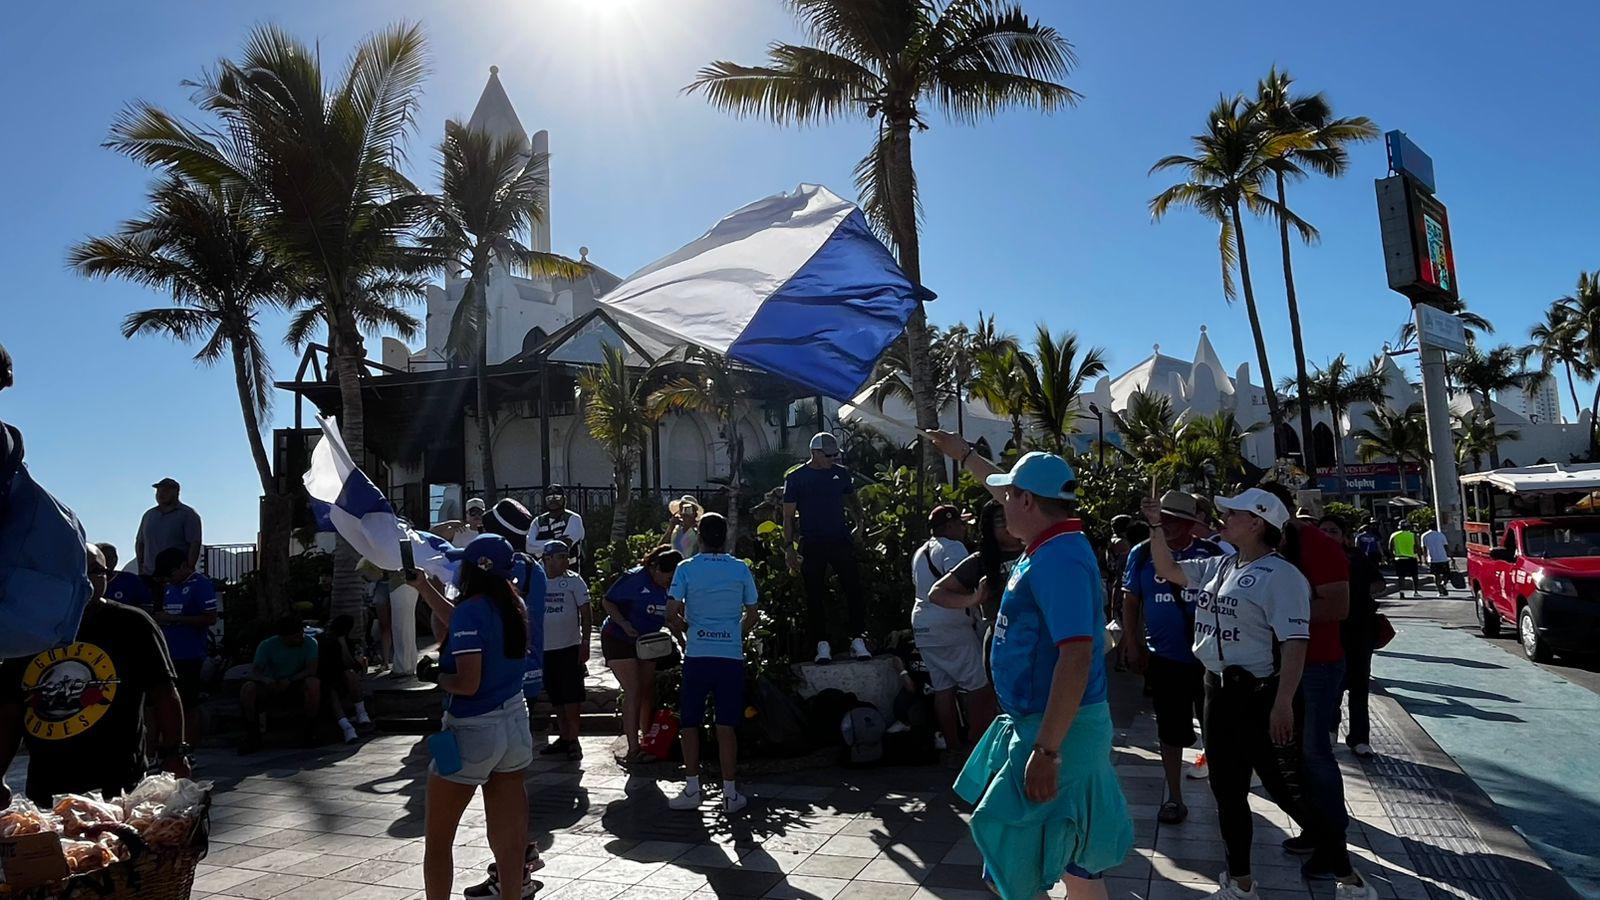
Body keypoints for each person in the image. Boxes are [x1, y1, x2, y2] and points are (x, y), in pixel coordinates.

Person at [1139, 489, 1376, 900]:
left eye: (1233, 513)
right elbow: (1171, 569)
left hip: (1256, 694)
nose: (1222, 518)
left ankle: (1347, 876)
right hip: (1216, 690)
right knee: (1227, 791)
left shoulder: (1282, 576)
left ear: (1257, 523)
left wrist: (1283, 703)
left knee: (1288, 791)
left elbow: (1295, 643)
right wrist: (1156, 525)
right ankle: (1242, 881)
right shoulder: (1222, 564)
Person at [929, 431, 1133, 900]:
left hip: (1058, 731)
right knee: (1069, 864)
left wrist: (1047, 752)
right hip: (1045, 724)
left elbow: (1077, 656)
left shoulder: (1058, 558)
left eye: (1010, 497)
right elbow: (1005, 489)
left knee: (1022, 861)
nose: (1001, 506)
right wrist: (963, 455)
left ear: (1026, 501)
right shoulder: (1050, 539)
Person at [0, 543, 188, 807]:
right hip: (48, 789)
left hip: (119, 787)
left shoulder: (133, 625)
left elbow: (164, 694)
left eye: (95, 571)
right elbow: (10, 713)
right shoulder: (30, 634)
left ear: (109, 576)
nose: (84, 580)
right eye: (73, 570)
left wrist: (175, 754)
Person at [410, 535, 534, 900]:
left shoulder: (472, 610)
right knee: (509, 843)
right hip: (514, 724)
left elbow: (467, 683)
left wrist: (433, 675)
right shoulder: (513, 605)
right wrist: (425, 588)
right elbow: (465, 621)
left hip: (473, 729)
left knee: (438, 840)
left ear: (472, 569)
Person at [1257, 481, 1354, 882]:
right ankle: (1317, 830)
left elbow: (1338, 605)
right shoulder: (1268, 546)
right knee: (1292, 757)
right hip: (1279, 667)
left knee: (1315, 755)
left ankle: (1334, 845)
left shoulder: (1317, 545)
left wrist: (1275, 612)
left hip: (1316, 666)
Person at [1121, 491, 1221, 824]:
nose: (1170, 526)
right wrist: (1132, 642)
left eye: (1179, 521)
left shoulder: (1212, 554)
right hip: (1165, 658)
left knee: (1216, 730)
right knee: (1169, 730)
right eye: (1165, 519)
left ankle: (1225, 794)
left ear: (1192, 524)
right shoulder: (1141, 554)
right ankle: (1174, 797)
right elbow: (1131, 600)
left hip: (1209, 659)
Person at [665, 513, 759, 813]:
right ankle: (730, 794)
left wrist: (688, 629)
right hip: (729, 655)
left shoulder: (686, 568)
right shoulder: (740, 568)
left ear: (700, 537)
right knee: (726, 724)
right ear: (725, 535)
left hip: (697, 655)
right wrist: (734, 634)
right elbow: (753, 613)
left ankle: (693, 789)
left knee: (689, 722)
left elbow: (671, 613)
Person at [912, 505, 996, 752]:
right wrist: (974, 599)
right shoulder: (953, 548)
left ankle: (953, 748)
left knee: (943, 688)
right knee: (979, 686)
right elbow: (956, 582)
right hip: (950, 623)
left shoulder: (920, 551)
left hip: (923, 625)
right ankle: (977, 745)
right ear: (949, 526)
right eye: (961, 524)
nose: (964, 528)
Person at [782, 432, 869, 663]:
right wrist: (788, 547)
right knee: (814, 594)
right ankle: (821, 644)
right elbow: (788, 516)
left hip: (840, 539)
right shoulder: (797, 478)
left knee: (853, 589)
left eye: (836, 454)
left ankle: (858, 639)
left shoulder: (840, 474)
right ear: (815, 453)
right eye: (829, 455)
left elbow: (853, 501)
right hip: (812, 542)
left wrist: (860, 524)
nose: (833, 458)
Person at [601, 545, 682, 764]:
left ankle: (648, 740)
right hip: (619, 638)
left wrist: (685, 640)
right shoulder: (635, 578)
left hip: (648, 642)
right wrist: (624, 623)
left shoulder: (673, 587)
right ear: (655, 569)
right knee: (634, 689)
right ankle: (632, 747)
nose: (669, 581)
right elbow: (607, 601)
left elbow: (675, 618)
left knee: (647, 690)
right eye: (667, 576)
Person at [1319, 514, 1384, 758]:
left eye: (1333, 531)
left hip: (1360, 631)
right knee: (1331, 686)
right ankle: (1329, 731)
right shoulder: (1311, 558)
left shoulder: (1357, 558)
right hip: (1330, 631)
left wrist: (1357, 591)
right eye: (1323, 530)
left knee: (1359, 685)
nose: (1327, 535)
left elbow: (1379, 583)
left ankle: (1359, 738)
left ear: (1344, 536)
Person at [152, 547, 217, 743]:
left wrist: (175, 619)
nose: (168, 579)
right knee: (163, 702)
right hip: (168, 654)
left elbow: (210, 618)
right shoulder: (170, 587)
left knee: (188, 704)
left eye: (170, 574)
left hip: (190, 655)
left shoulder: (201, 584)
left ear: (183, 566)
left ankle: (188, 748)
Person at [538, 541, 590, 760]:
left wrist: (585, 642)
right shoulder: (536, 580)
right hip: (544, 649)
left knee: (572, 696)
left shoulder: (573, 581)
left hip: (569, 647)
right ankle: (564, 735)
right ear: (547, 559)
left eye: (566, 556)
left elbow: (586, 613)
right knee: (556, 696)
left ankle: (574, 739)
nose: (564, 561)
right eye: (559, 556)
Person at [238, 616, 321, 753]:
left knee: (313, 684)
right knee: (247, 689)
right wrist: (266, 680)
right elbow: (255, 672)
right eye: (294, 637)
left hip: (295, 682)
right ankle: (252, 735)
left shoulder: (310, 643)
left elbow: (311, 669)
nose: (299, 639)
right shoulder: (267, 645)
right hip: (271, 683)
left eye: (300, 635)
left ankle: (310, 731)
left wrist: (291, 679)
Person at [319, 615, 373, 743]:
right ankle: (347, 728)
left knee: (350, 675)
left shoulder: (351, 643)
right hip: (326, 678)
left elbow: (353, 666)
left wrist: (342, 643)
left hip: (343, 677)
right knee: (331, 693)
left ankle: (362, 714)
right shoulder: (323, 642)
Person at [136, 478, 202, 582]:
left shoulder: (187, 514)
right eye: (158, 491)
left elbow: (194, 543)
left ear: (176, 492)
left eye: (165, 491)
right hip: (149, 575)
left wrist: (188, 569)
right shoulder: (149, 515)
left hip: (175, 576)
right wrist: (141, 568)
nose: (161, 494)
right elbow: (140, 543)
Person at [532, 486, 586, 565]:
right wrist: (555, 541)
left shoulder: (574, 518)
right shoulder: (538, 521)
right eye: (549, 498)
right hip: (544, 572)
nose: (553, 501)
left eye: (557, 497)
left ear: (564, 499)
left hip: (569, 573)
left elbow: (565, 544)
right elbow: (529, 547)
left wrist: (538, 548)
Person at [98, 542, 153, 611]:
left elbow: (147, 606)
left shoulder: (131, 580)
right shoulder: (87, 581)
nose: (108, 561)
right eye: (104, 557)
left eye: (110, 557)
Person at [1389, 523, 1420, 597]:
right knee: (1415, 576)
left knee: (1401, 576)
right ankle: (1416, 592)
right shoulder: (1413, 535)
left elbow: (1390, 547)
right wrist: (1418, 555)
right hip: (1411, 558)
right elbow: (1417, 547)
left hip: (1399, 558)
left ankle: (1401, 592)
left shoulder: (1394, 535)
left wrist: (1392, 557)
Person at [1421, 521, 1451, 597]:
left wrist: (1424, 559)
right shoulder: (1441, 535)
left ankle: (1440, 591)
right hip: (1443, 558)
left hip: (1432, 559)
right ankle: (1444, 583)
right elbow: (1446, 547)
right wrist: (1451, 557)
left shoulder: (1424, 536)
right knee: (1446, 574)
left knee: (1436, 575)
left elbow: (1424, 548)